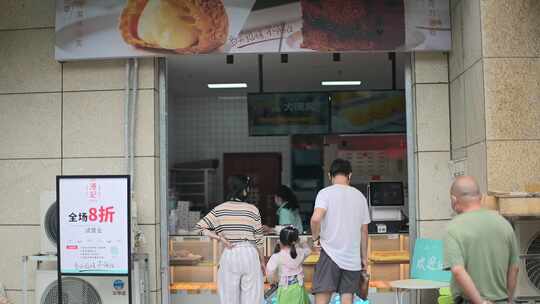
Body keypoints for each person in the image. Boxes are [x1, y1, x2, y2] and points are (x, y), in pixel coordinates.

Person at [443, 176, 520, 304]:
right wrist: (509, 299)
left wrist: (480, 301)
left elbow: (458, 270)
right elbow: (515, 268)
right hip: (502, 300)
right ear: (481, 197)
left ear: (453, 199)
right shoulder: (504, 224)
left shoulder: (454, 227)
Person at [194, 175, 265, 304]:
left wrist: (220, 238)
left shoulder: (219, 209)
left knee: (229, 299)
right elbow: (259, 240)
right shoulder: (253, 209)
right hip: (250, 253)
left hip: (230, 252)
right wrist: (262, 261)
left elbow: (198, 228)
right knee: (252, 299)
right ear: (244, 190)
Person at [310, 158, 371, 304]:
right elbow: (364, 230)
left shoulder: (325, 194)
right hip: (352, 258)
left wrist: (315, 238)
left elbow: (315, 219)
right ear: (349, 175)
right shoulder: (360, 197)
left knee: (322, 298)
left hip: (329, 254)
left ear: (330, 176)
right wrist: (364, 259)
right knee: (347, 298)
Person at [266, 226, 311, 304]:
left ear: (280, 241)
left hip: (284, 288)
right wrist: (302, 242)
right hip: (299, 288)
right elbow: (308, 251)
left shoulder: (277, 256)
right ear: (296, 240)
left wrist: (272, 282)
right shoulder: (300, 252)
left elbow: (269, 272)